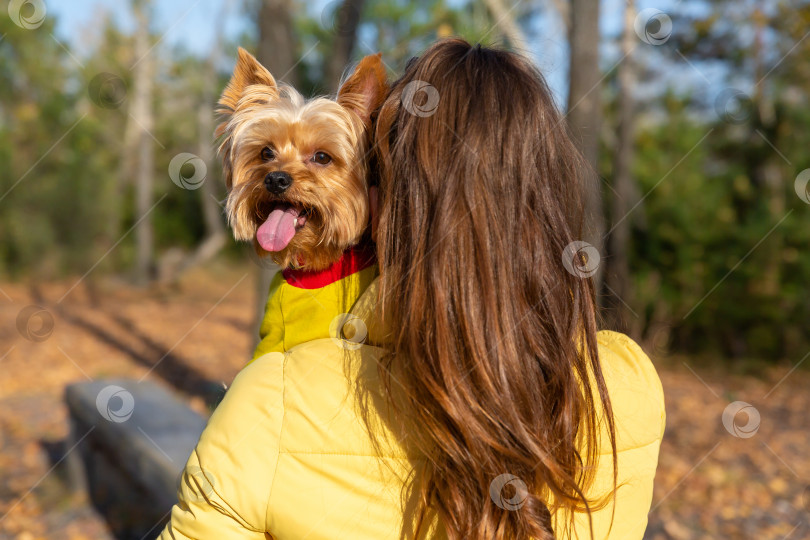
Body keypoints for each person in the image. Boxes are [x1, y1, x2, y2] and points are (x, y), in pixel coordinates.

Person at [159, 38, 665, 540]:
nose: (283, 171)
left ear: (385, 202)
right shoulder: (627, 383)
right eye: (267, 153)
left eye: (321, 159)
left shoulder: (273, 402)